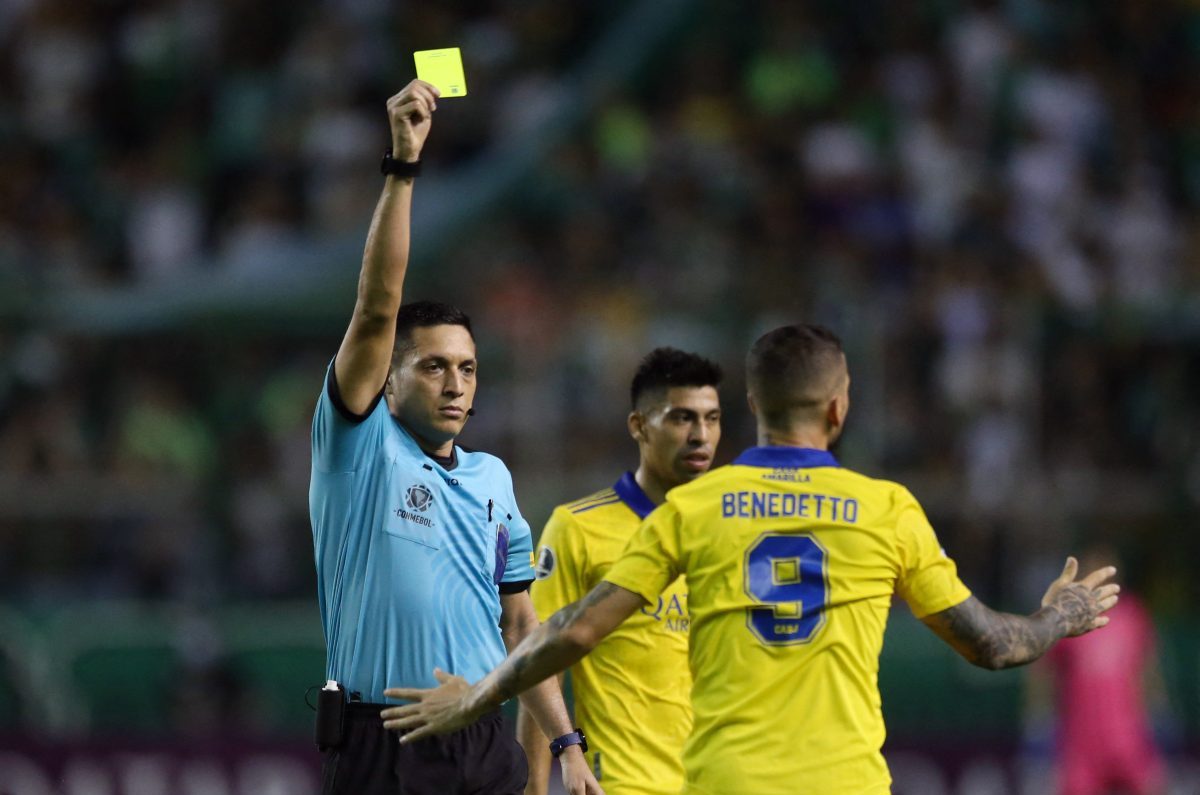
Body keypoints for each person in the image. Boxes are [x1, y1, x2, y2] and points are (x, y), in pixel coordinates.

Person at [380, 323, 1121, 795]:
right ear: (838, 408)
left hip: (725, 780)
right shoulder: (888, 509)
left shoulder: (695, 508)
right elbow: (993, 644)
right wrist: (1059, 615)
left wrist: (472, 697)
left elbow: (571, 631)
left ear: (753, 408)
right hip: (845, 783)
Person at [308, 80, 600, 795]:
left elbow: (520, 622)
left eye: (468, 367)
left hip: (485, 741)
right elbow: (377, 309)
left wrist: (565, 743)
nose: (455, 383)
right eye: (433, 365)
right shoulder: (359, 446)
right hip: (387, 743)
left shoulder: (492, 480)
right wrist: (403, 168)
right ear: (390, 377)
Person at [517, 348, 723, 794]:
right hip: (625, 783)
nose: (701, 435)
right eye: (682, 418)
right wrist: (534, 787)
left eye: (712, 418)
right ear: (638, 426)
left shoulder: (732, 533)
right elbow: (538, 662)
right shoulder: (578, 528)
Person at [1030, 544, 1168, 795]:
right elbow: (1044, 673)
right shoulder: (1069, 620)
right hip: (1080, 739)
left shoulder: (1132, 615)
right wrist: (1038, 720)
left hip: (1127, 733)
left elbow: (1147, 668)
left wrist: (1159, 710)